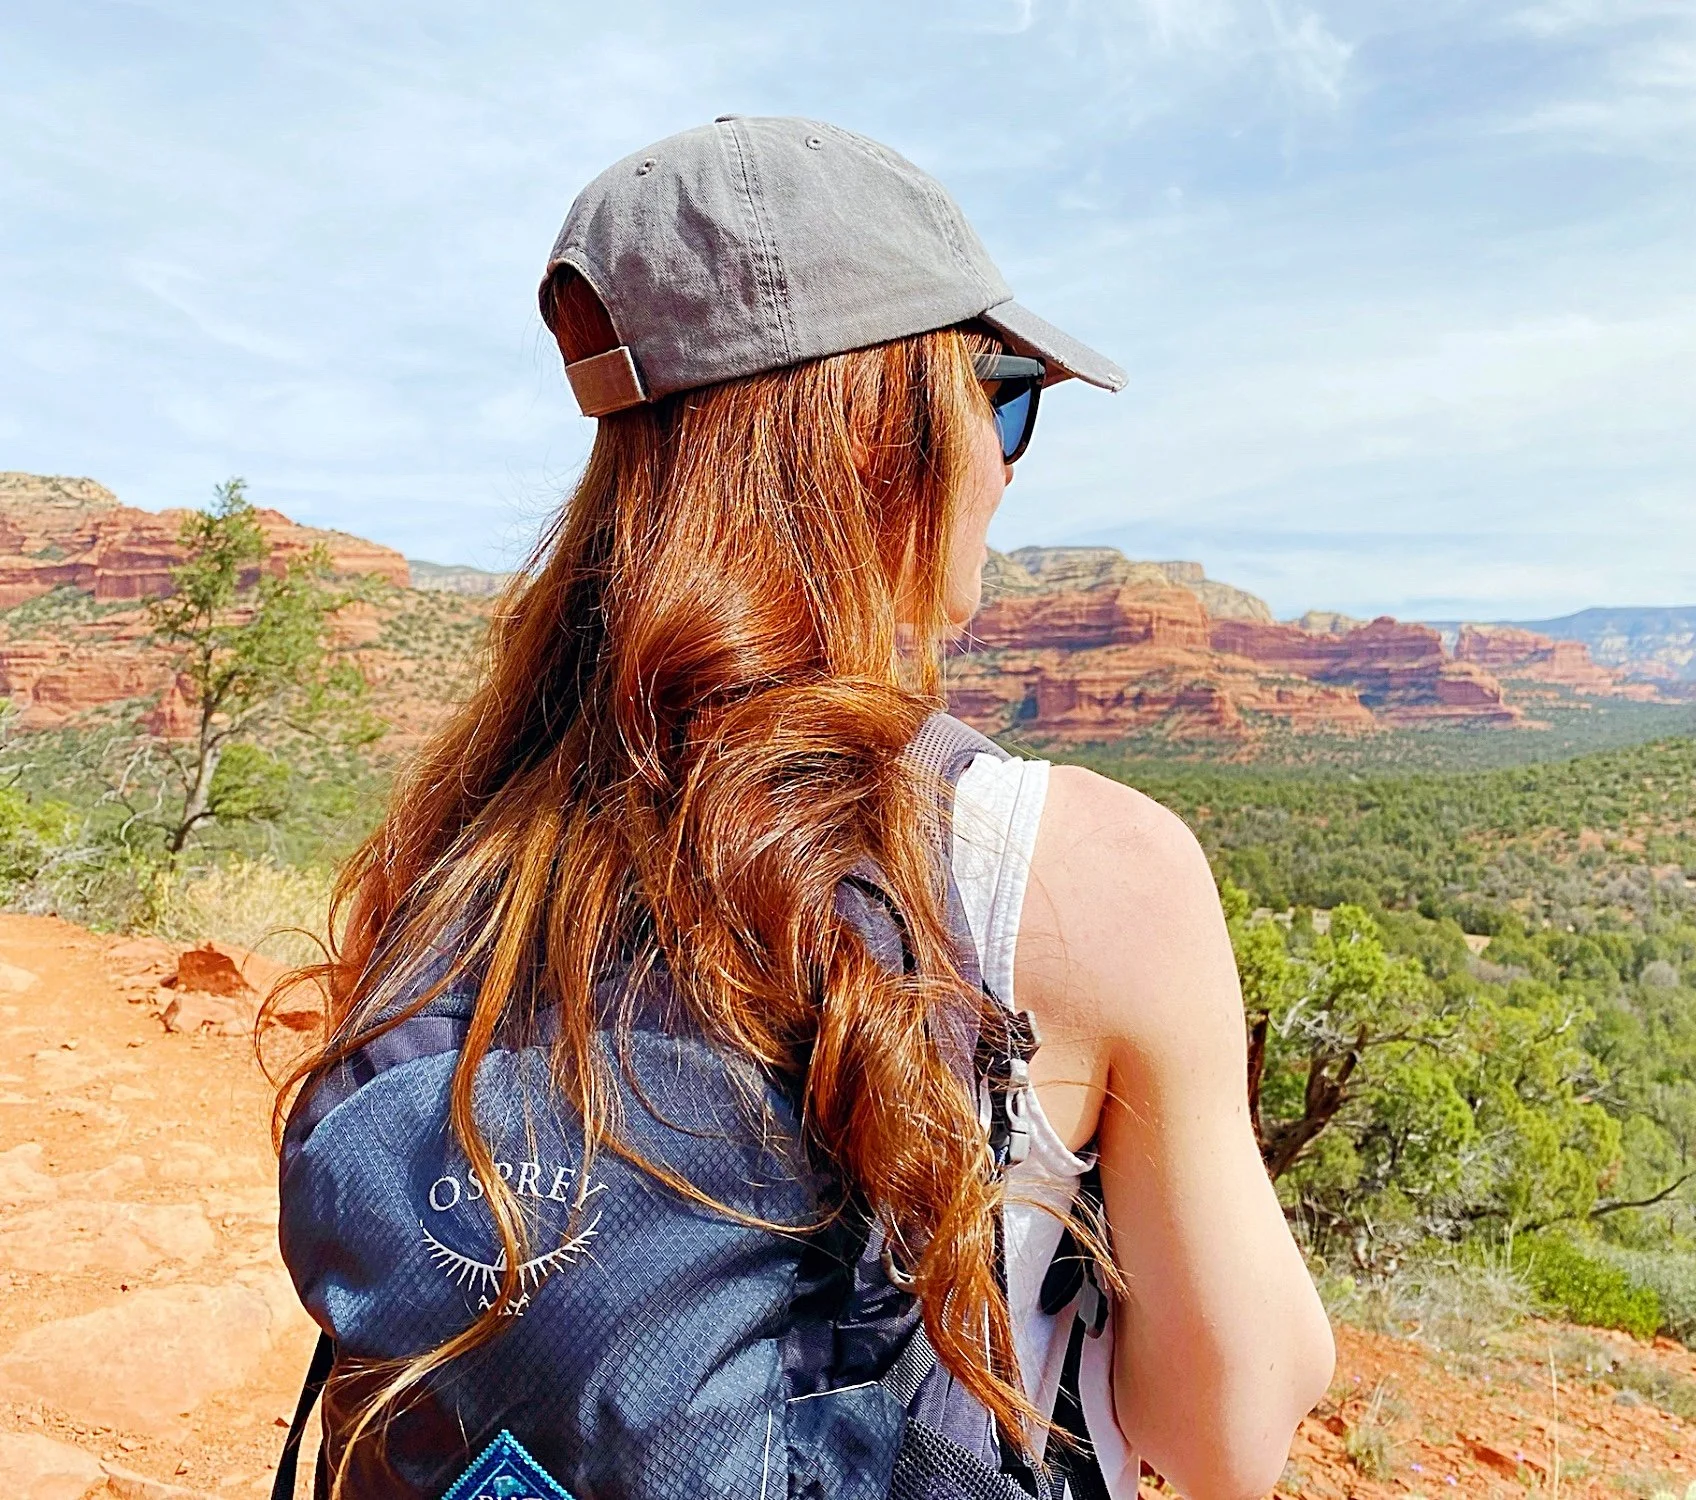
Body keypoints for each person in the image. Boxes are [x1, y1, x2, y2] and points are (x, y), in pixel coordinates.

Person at [274, 116, 1333, 1500]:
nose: (1008, 463)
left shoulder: (472, 839)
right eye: (1003, 395)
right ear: (896, 425)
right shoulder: (1088, 872)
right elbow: (1224, 1441)